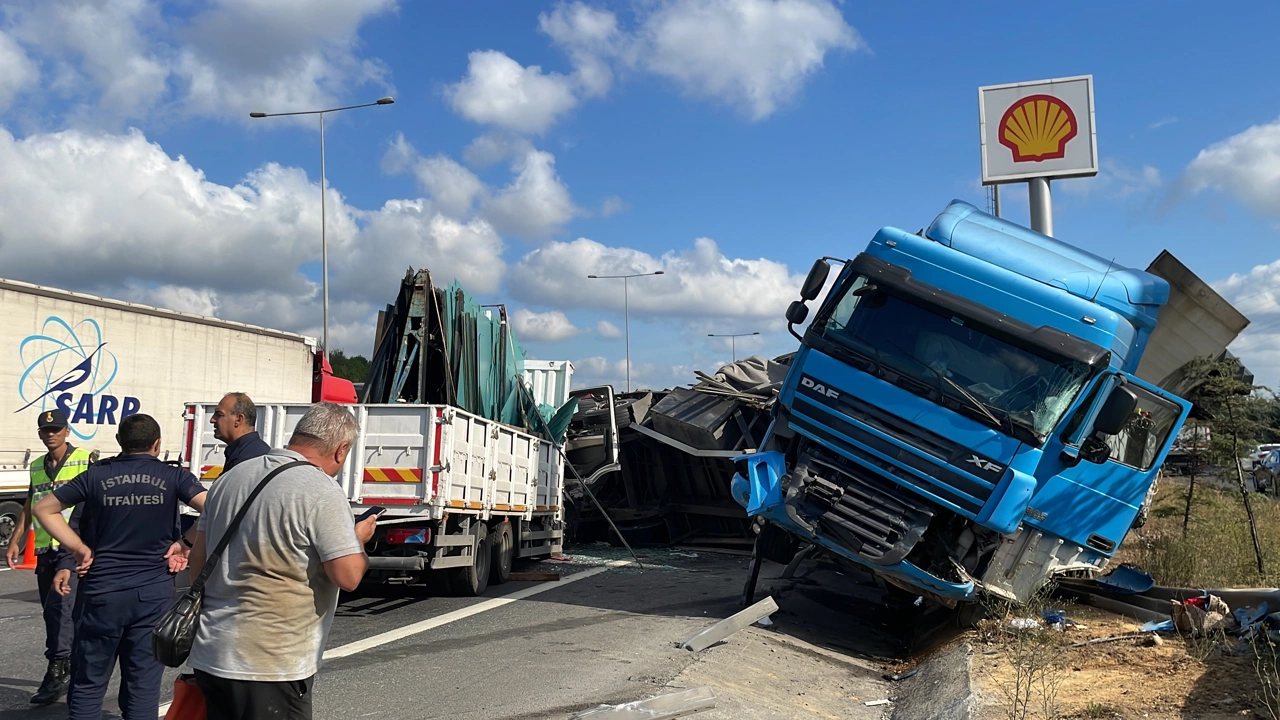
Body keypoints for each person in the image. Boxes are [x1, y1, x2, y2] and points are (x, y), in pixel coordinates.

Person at [188, 402, 377, 720]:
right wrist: (358, 539)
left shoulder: (229, 480)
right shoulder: (321, 490)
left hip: (212, 654)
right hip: (271, 664)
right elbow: (348, 576)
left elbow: (198, 561)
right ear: (341, 450)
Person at [33, 413, 206, 720]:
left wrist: (78, 548)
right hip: (152, 595)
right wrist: (186, 543)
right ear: (157, 444)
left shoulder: (96, 475)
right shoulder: (172, 477)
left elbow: (44, 508)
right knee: (142, 686)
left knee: (87, 684)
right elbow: (218, 506)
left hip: (102, 593)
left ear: (119, 443)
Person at [3, 409, 97, 706]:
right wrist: (16, 541)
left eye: (56, 429)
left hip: (74, 549)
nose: (50, 434)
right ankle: (75, 667)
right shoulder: (36, 466)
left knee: (63, 611)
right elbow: (32, 504)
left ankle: (59, 669)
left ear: (67, 431)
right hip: (46, 551)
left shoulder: (85, 459)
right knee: (53, 612)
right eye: (45, 431)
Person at [212, 392, 271, 474]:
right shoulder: (244, 451)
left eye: (219, 414)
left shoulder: (250, 460)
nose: (212, 420)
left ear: (238, 419)